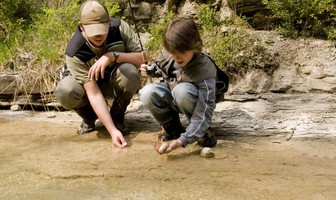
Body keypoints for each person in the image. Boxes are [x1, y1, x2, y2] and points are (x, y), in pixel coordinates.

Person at [55, 0, 144, 148]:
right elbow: (94, 93)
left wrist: (111, 56)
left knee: (130, 72)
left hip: (115, 79)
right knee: (66, 90)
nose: (98, 36)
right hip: (88, 87)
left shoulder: (120, 28)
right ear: (81, 26)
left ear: (108, 22)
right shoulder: (74, 51)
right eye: (92, 31)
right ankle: (89, 117)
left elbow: (143, 59)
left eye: (102, 29)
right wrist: (112, 132)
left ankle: (117, 116)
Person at [139, 17, 219, 154]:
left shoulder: (205, 69)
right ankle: (172, 129)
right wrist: (151, 70)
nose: (177, 57)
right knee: (147, 92)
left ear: (194, 47)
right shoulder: (169, 56)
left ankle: (202, 133)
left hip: (192, 102)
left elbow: (204, 111)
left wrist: (182, 141)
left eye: (181, 53)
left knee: (182, 91)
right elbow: (166, 72)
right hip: (173, 95)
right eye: (173, 53)